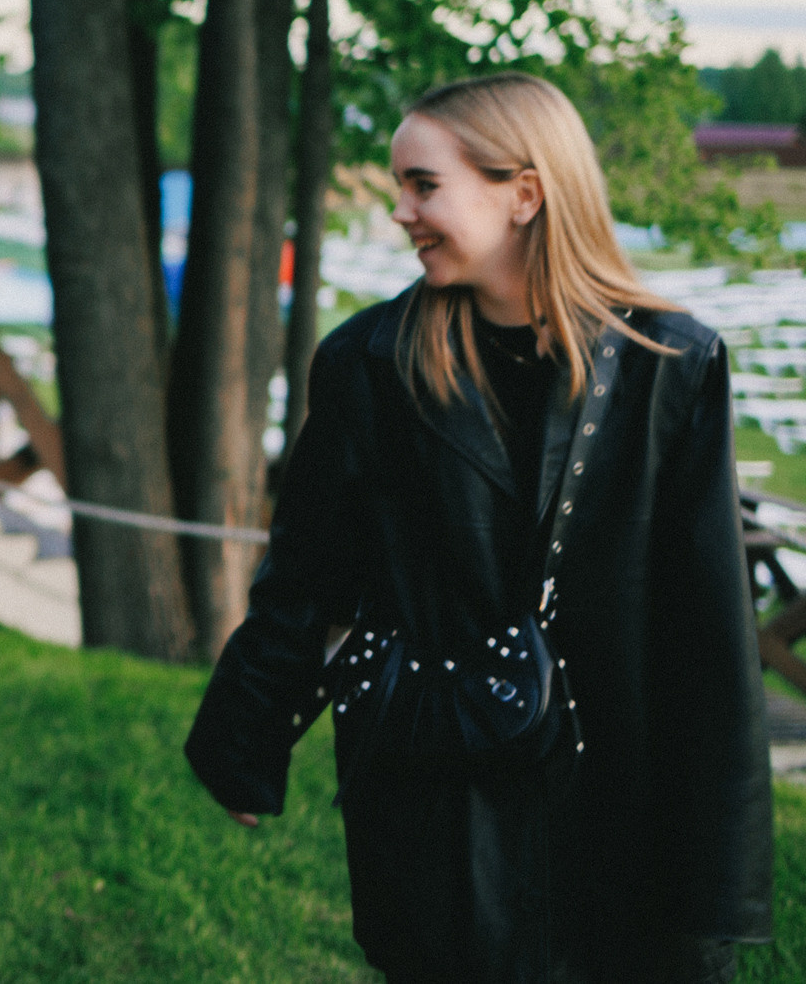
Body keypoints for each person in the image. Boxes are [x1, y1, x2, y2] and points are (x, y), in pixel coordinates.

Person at [184, 73, 772, 984]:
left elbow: (710, 636)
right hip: (431, 789)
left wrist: (718, 879)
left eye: (423, 184)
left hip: (620, 787)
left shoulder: (674, 366)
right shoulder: (368, 365)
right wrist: (244, 734)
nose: (401, 211)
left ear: (525, 194)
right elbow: (307, 573)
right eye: (399, 187)